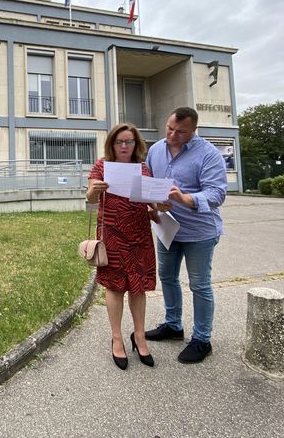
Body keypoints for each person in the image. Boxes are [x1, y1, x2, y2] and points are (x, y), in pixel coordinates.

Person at [144, 107, 228, 364]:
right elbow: (148, 182)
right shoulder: (156, 149)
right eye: (169, 128)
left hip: (198, 232)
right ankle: (173, 326)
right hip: (167, 227)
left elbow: (217, 194)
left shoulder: (209, 154)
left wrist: (184, 198)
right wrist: (151, 204)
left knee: (199, 284)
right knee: (167, 276)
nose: (172, 135)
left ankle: (202, 340)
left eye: (180, 132)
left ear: (193, 130)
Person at [87, 122, 161, 370]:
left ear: (136, 144)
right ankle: (116, 337)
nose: (124, 146)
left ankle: (139, 336)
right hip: (112, 234)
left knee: (138, 287)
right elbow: (89, 198)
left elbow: (150, 202)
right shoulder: (101, 165)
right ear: (112, 144)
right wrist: (93, 192)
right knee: (115, 286)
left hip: (139, 233)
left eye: (129, 141)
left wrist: (159, 207)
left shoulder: (143, 168)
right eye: (119, 142)